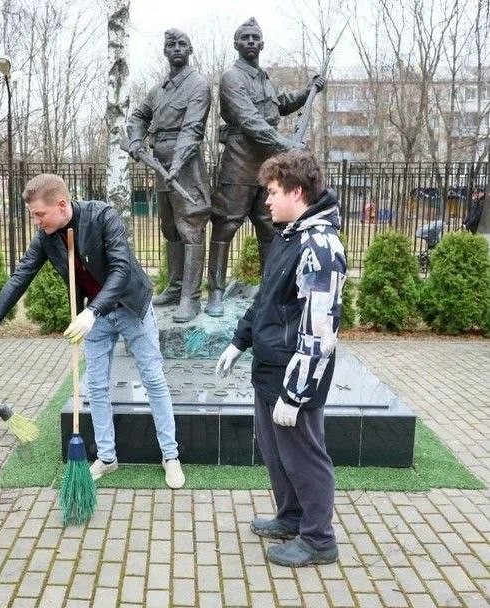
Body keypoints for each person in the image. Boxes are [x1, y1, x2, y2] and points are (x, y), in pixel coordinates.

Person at [0, 173, 185, 489]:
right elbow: (20, 277)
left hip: (130, 308)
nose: (37, 222)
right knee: (95, 385)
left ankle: (171, 456)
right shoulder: (46, 237)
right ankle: (107, 458)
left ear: (62, 204)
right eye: (33, 216)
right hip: (92, 316)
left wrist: (92, 312)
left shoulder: (102, 216)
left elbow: (121, 270)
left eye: (40, 214)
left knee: (153, 378)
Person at [215, 150, 346, 567]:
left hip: (294, 377)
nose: (267, 201)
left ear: (297, 191)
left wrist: (296, 393)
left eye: (272, 192)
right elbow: (266, 301)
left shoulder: (320, 247)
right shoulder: (289, 237)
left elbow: (320, 331)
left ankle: (319, 539)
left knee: (305, 457)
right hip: (270, 370)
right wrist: (239, 342)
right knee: (276, 454)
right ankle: (290, 518)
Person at [207, 17, 325, 317]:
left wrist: (308, 91)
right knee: (226, 226)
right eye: (244, 37)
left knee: (269, 229)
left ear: (262, 43)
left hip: (268, 164)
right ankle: (216, 293)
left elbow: (279, 105)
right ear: (236, 44)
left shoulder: (263, 78)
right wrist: (287, 145)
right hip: (240, 162)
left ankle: (268, 289)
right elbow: (249, 121)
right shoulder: (232, 78)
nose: (250, 42)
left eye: (255, 37)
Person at [127, 28, 211, 323]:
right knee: (170, 229)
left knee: (191, 229)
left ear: (190, 50)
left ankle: (191, 297)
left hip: (185, 166)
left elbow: (193, 129)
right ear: (165, 51)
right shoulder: (158, 89)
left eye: (182, 44)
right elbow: (139, 116)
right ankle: (175, 289)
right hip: (160, 164)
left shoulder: (198, 84)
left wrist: (176, 165)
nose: (176, 48)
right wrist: (136, 141)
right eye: (171, 45)